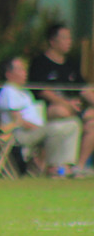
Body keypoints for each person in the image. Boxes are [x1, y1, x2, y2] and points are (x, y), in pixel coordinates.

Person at [0, 56, 81, 178]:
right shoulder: (8, 91)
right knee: (54, 129)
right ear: (9, 74)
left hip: (35, 130)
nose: (24, 73)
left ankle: (66, 165)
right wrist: (39, 127)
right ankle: (53, 168)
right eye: (20, 69)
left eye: (24, 69)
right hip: (19, 134)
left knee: (73, 124)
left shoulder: (25, 92)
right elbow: (18, 120)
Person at [27, 23, 94, 174]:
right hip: (49, 109)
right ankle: (55, 164)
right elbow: (42, 91)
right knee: (60, 110)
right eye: (65, 38)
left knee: (92, 122)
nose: (69, 41)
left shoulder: (71, 64)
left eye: (70, 38)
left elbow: (83, 88)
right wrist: (67, 103)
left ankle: (79, 167)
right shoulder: (40, 63)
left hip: (73, 108)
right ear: (52, 41)